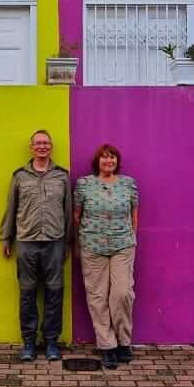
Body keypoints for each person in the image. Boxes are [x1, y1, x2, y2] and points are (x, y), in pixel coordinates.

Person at [0, 129, 71, 362]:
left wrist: (69, 242)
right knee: (27, 293)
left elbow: (68, 212)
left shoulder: (62, 176)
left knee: (54, 292)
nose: (42, 146)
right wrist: (6, 237)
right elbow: (11, 208)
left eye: (46, 143)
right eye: (38, 143)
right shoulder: (20, 176)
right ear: (32, 147)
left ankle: (51, 342)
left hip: (54, 242)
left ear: (51, 147)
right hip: (27, 243)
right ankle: (28, 342)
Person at [74, 143, 139, 369]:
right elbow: (76, 216)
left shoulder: (129, 184)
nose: (108, 161)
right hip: (92, 246)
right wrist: (77, 245)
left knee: (122, 293)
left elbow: (134, 216)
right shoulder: (84, 185)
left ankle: (123, 341)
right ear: (97, 162)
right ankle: (107, 345)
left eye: (112, 158)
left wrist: (133, 240)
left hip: (123, 245)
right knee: (97, 296)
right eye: (104, 158)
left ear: (117, 162)